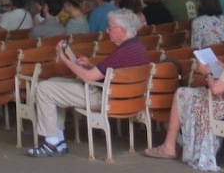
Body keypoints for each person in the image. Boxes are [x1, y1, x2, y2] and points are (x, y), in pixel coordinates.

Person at [144, 7, 224, 169]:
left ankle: (169, 146)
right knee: (193, 94)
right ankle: (174, 144)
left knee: (182, 93)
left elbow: (216, 90)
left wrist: (207, 73)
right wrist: (223, 66)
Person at [26, 10, 150, 157]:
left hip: (103, 97)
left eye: (110, 28)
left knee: (44, 88)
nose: (106, 30)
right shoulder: (138, 48)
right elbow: (109, 72)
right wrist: (90, 65)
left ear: (122, 30)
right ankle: (58, 139)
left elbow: (87, 77)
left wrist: (64, 58)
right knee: (53, 83)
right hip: (120, 96)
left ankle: (52, 142)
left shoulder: (123, 52)